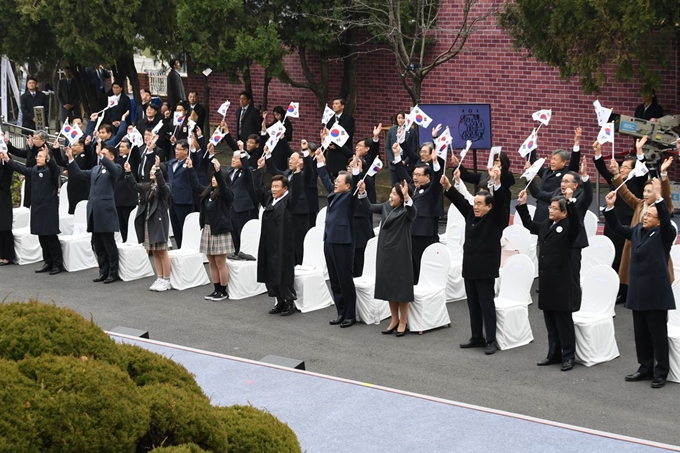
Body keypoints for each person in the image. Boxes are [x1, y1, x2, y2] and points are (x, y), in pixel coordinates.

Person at [604, 181, 675, 389]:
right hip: (638, 291)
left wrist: (660, 198)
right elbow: (617, 227)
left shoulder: (664, 234)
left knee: (657, 334)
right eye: (645, 215)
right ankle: (645, 368)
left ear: (659, 220)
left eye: (650, 216)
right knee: (641, 333)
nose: (645, 217)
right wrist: (610, 208)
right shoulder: (636, 231)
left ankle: (661, 371)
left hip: (656, 292)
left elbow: (665, 217)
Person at [441, 166, 506, 355]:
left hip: (485, 269)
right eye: (475, 203)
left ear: (489, 207)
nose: (476, 207)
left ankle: (491, 340)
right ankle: (477, 336)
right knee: (473, 304)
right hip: (469, 268)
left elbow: (501, 203)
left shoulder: (495, 220)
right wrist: (448, 187)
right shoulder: (470, 214)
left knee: (487, 305)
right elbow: (461, 202)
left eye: (480, 204)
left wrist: (498, 182)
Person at [516, 190, 581, 371]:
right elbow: (530, 225)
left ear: (564, 212)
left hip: (562, 282)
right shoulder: (546, 224)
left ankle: (568, 356)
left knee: (563, 321)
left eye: (554, 208)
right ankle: (553, 353)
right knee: (550, 321)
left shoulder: (569, 227)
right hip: (547, 281)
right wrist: (522, 206)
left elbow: (576, 222)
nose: (550, 211)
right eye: (550, 208)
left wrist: (570, 202)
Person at [528, 160, 592, 309]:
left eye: (567, 181)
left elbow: (589, 195)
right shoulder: (557, 193)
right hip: (557, 240)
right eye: (562, 180)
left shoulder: (581, 195)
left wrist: (585, 177)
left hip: (574, 241)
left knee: (572, 274)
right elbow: (538, 194)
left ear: (575, 185)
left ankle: (575, 305)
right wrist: (529, 177)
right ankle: (557, 300)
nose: (563, 184)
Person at [357, 178, 416, 336]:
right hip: (385, 251)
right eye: (391, 193)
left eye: (395, 194)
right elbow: (369, 207)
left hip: (401, 254)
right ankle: (394, 319)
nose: (391, 196)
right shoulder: (385, 207)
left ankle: (403, 321)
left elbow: (413, 212)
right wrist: (363, 192)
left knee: (401, 289)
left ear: (402, 197)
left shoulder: (406, 211)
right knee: (389, 286)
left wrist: (407, 198)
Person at [610, 153, 675, 297]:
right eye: (644, 191)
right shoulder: (640, 204)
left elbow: (667, 198)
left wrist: (663, 175)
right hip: (637, 245)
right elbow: (625, 192)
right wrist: (616, 174)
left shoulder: (662, 207)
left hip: (655, 249)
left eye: (649, 191)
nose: (645, 194)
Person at [592, 138, 648, 303]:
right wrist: (598, 153)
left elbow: (643, 171)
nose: (622, 169)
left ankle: (622, 290)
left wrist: (639, 152)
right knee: (610, 254)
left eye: (625, 167)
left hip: (626, 223)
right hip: (612, 221)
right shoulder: (616, 180)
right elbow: (602, 169)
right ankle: (609, 284)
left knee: (621, 258)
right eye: (621, 166)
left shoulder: (637, 182)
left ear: (632, 169)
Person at [1, 146, 63, 274]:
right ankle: (48, 261)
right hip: (37, 208)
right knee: (41, 236)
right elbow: (22, 169)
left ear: (46, 158)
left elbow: (54, 167)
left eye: (40, 156)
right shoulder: (34, 170)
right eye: (37, 156)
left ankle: (57, 263)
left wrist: (49, 158)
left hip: (49, 207)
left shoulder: (51, 170)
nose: (38, 158)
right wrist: (8, 160)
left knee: (50, 236)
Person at [315, 147, 359, 328]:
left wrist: (355, 170)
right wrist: (320, 162)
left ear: (347, 185)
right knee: (334, 279)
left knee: (344, 279)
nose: (335, 182)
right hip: (330, 240)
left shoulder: (350, 197)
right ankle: (340, 312)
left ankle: (350, 314)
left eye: (339, 181)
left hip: (343, 242)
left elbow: (356, 185)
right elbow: (326, 179)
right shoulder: (334, 194)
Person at [66, 143, 122, 283]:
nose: (100, 154)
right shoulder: (96, 169)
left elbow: (112, 169)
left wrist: (101, 156)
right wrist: (71, 159)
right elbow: (79, 174)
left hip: (105, 210)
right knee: (97, 244)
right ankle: (103, 271)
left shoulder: (115, 168)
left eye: (104, 153)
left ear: (111, 156)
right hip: (94, 210)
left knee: (108, 243)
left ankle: (113, 272)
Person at [254, 162, 303, 316]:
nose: (273, 189)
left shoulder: (288, 201)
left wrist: (298, 174)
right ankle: (279, 301)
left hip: (282, 244)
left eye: (277, 187)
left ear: (285, 189)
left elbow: (297, 192)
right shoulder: (269, 199)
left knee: (281, 272)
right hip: (268, 243)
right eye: (272, 186)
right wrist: (260, 170)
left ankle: (289, 301)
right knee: (270, 272)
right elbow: (257, 190)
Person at [392, 141, 441, 283]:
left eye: (419, 175)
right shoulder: (412, 187)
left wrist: (435, 161)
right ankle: (411, 285)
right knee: (410, 262)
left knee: (421, 261)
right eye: (414, 174)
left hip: (423, 231)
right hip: (409, 229)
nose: (415, 177)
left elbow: (437, 180)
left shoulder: (432, 189)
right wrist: (396, 155)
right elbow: (402, 173)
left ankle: (422, 285)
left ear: (427, 177)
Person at [187, 156, 234, 301]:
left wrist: (219, 172)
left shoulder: (226, 195)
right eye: (212, 177)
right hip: (208, 229)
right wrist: (190, 169)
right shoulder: (208, 192)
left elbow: (224, 189)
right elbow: (195, 185)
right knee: (211, 261)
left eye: (216, 177)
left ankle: (223, 291)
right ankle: (216, 289)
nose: (213, 179)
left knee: (220, 262)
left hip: (219, 230)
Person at [124, 155, 172, 291]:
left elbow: (163, 187)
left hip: (159, 222)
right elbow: (134, 185)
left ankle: (166, 280)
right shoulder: (148, 186)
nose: (151, 172)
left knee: (162, 251)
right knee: (155, 252)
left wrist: (158, 169)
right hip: (148, 222)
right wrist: (128, 172)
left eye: (155, 170)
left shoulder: (165, 187)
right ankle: (160, 277)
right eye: (151, 170)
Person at [263, 144, 314, 266]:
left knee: (298, 243)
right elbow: (275, 171)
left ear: (300, 161)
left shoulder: (305, 174)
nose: (290, 161)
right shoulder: (286, 173)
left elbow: (309, 169)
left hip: (299, 213)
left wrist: (306, 153)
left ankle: (300, 266)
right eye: (290, 159)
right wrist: (268, 155)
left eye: (293, 159)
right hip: (286, 210)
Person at [527, 127, 582, 223]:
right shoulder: (547, 171)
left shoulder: (567, 173)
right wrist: (533, 143)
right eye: (551, 159)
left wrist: (576, 143)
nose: (552, 162)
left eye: (555, 160)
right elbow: (533, 161)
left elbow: (574, 163)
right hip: (540, 209)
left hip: (554, 210)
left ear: (564, 162)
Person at [455, 151, 515, 228]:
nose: (494, 163)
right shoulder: (485, 174)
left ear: (503, 162)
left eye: (497, 161)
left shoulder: (506, 175)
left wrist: (499, 172)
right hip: (483, 212)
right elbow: (469, 176)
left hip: (498, 214)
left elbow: (510, 181)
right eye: (493, 161)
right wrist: (458, 165)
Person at [163, 139, 196, 249]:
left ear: (186, 151)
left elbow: (198, 162)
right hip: (172, 200)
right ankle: (180, 249)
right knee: (176, 228)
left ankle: (189, 249)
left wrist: (194, 148)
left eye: (179, 149)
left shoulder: (190, 162)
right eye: (175, 149)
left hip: (184, 201)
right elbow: (161, 165)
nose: (176, 151)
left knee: (185, 228)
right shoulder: (172, 162)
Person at [52, 135, 95, 214]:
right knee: (73, 211)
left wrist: (87, 146)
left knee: (81, 212)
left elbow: (89, 159)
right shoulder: (74, 157)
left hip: (82, 189)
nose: (72, 147)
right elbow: (61, 162)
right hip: (72, 188)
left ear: (82, 146)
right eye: (72, 145)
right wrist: (56, 149)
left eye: (75, 145)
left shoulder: (85, 157)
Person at [6, 130, 49, 207]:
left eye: (36, 139)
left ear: (43, 140)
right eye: (33, 138)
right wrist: (8, 145)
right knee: (28, 202)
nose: (33, 140)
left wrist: (31, 147)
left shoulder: (45, 150)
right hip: (29, 176)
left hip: (38, 179)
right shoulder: (32, 148)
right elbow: (20, 153)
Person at [115, 139, 141, 243]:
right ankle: (125, 241)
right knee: (122, 224)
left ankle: (133, 242)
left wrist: (132, 138)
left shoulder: (132, 160)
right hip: (118, 197)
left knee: (129, 222)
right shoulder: (117, 161)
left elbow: (135, 153)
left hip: (128, 197)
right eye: (120, 147)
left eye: (123, 147)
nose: (120, 149)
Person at [323, 98, 355, 179]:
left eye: (337, 104)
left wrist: (336, 144)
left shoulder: (349, 119)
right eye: (333, 104)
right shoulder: (330, 118)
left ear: (342, 106)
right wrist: (329, 143)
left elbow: (348, 135)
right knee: (331, 174)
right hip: (332, 151)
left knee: (342, 174)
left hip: (343, 151)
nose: (334, 105)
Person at [385, 111, 418, 185]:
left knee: (407, 185)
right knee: (395, 185)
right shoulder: (391, 130)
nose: (401, 120)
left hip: (406, 163)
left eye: (403, 118)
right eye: (399, 118)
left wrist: (406, 161)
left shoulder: (411, 131)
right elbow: (387, 147)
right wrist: (392, 160)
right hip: (394, 163)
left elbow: (413, 148)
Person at [0, 146, 16, 266]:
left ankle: (8, 255)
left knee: (5, 227)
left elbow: (9, 170)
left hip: (3, 197)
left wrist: (5, 159)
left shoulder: (5, 167)